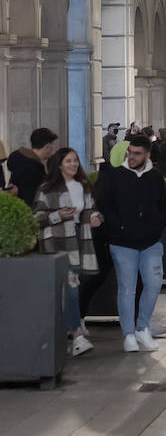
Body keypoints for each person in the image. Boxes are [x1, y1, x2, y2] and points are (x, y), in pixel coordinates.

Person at [93, 133, 166, 353]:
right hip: (122, 242)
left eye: (137, 153)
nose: (132, 156)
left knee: (153, 285)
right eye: (130, 152)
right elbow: (103, 204)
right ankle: (128, 334)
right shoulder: (114, 176)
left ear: (147, 155)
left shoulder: (155, 178)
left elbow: (162, 206)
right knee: (127, 289)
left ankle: (142, 327)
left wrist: (157, 228)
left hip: (151, 242)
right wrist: (118, 228)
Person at [33, 147, 103, 357]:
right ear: (59, 165)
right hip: (56, 242)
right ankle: (76, 336)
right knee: (71, 287)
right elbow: (36, 218)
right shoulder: (47, 189)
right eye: (68, 161)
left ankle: (65, 331)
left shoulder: (83, 186)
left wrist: (96, 217)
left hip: (80, 240)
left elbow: (91, 210)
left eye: (75, 160)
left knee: (72, 288)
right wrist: (58, 216)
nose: (73, 164)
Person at [7, 127, 59, 206]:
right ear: (47, 146)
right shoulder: (33, 169)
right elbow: (32, 200)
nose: (54, 149)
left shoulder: (21, 160)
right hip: (29, 214)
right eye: (52, 145)